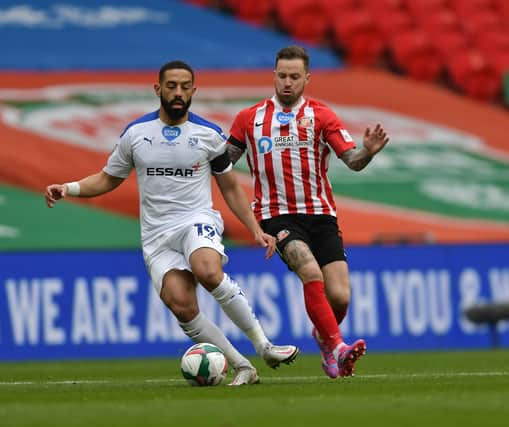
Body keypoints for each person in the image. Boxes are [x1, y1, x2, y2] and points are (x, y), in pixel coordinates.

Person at [44, 60, 299, 386]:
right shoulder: (136, 134)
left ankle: (264, 346)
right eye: (171, 86)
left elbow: (230, 187)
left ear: (193, 90)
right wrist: (68, 188)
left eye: (184, 86)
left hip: (197, 219)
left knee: (207, 270)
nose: (178, 93)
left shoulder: (209, 134)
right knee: (181, 304)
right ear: (158, 89)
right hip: (156, 234)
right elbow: (108, 179)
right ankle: (242, 367)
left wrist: (254, 229)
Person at [226, 46, 389, 379]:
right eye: (282, 76)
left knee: (340, 296)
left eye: (295, 77)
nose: (288, 83)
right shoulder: (249, 118)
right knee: (310, 271)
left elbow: (353, 162)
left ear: (307, 79)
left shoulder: (322, 115)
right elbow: (223, 161)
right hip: (277, 216)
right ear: (274, 76)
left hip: (321, 215)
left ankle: (325, 340)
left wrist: (368, 153)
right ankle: (339, 347)